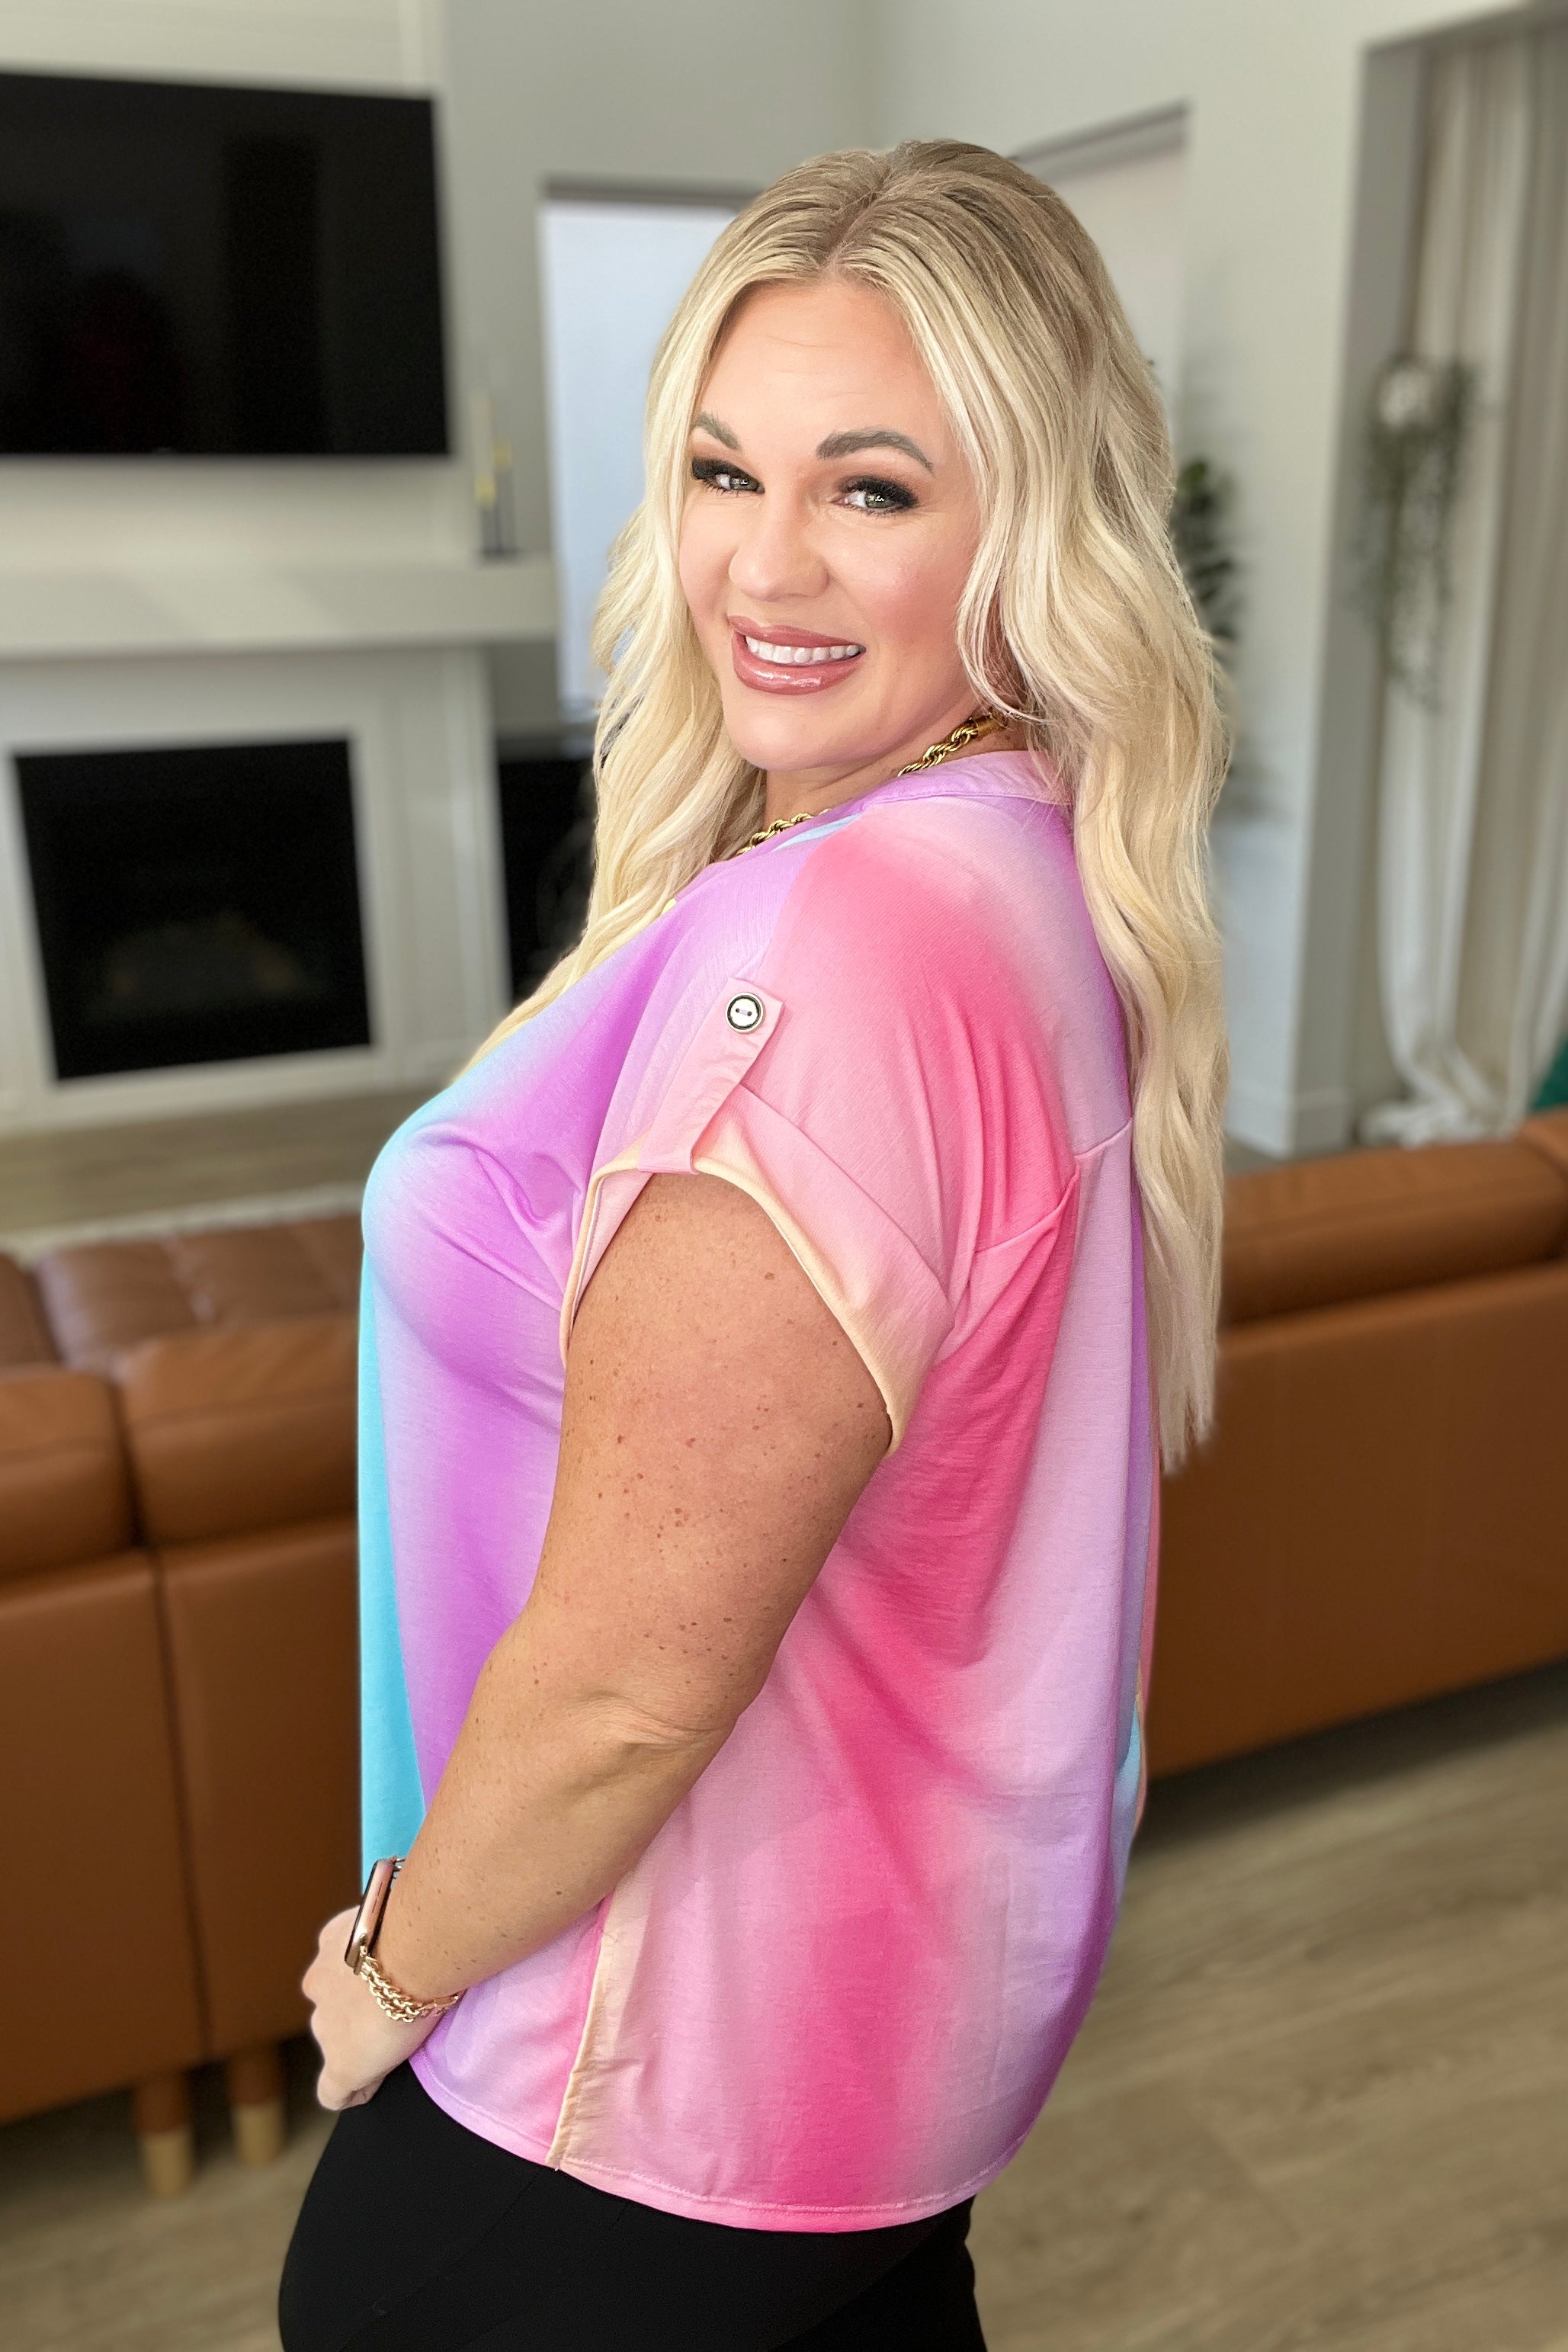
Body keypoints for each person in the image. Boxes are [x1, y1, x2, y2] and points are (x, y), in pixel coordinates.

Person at [280, 138, 1227, 2352]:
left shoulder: (836, 954)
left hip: (629, 2100)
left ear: (1032, 523)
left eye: (869, 488)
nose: (762, 565)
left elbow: (625, 1693)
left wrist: (391, 1970)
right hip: (864, 2093)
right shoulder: (1026, 869)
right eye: (723, 470)